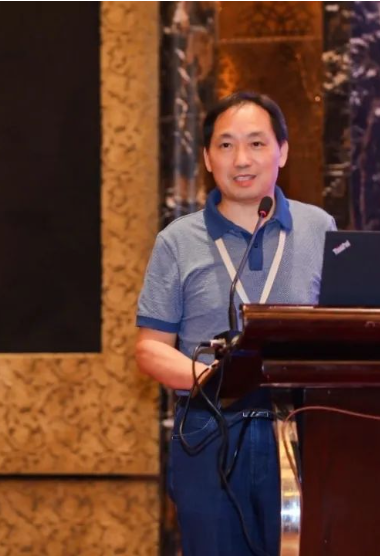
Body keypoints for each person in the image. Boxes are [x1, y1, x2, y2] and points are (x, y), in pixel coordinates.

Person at [135, 91, 336, 556]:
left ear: (282, 152)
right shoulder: (177, 240)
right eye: (225, 145)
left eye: (256, 143)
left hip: (303, 429)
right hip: (210, 429)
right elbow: (150, 347)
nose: (241, 159)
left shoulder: (320, 228)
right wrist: (217, 377)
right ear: (208, 158)